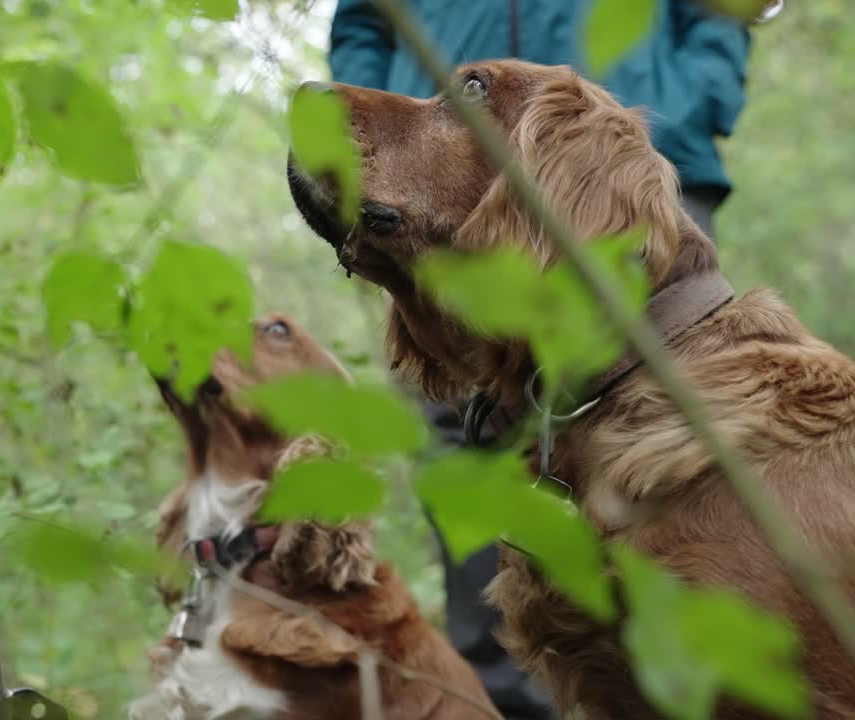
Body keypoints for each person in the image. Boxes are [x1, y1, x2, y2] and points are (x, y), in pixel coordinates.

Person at [327, 2, 763, 718]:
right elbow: (363, 19)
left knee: (670, 445)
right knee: (465, 450)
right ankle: (508, 704)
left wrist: (691, 100)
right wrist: (391, 105)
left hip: (629, 175)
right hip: (443, 172)